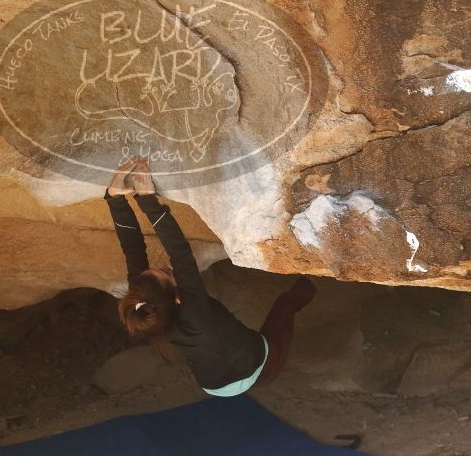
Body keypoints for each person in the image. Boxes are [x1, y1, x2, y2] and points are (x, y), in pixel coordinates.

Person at [104, 155, 317, 397]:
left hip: (212, 383)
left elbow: (132, 247)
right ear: (176, 296)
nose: (165, 266)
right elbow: (180, 253)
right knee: (286, 304)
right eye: (166, 273)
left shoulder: (144, 300)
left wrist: (115, 198)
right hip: (259, 369)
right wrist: (148, 201)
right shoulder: (195, 314)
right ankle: (316, 278)